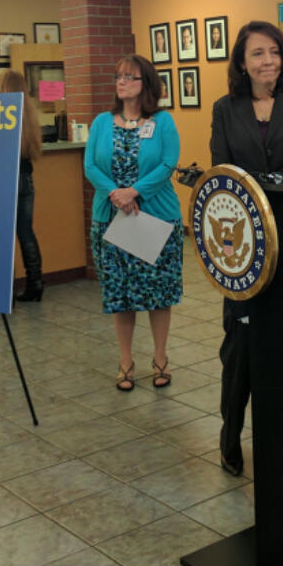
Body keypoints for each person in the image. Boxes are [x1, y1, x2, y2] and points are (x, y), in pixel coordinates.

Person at [209, 20, 283, 477]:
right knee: (240, 346)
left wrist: (279, 201)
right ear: (241, 61)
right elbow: (223, 170)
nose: (267, 61)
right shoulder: (224, 108)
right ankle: (230, 433)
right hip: (241, 245)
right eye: (257, 53)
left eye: (274, 52)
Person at [83, 55, 183, 392]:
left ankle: (160, 358)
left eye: (130, 76)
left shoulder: (163, 121)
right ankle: (125, 362)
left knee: (158, 292)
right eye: (119, 75)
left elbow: (169, 162)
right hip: (110, 220)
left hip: (154, 218)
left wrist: (135, 192)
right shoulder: (101, 122)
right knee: (120, 293)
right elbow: (90, 166)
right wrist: (115, 194)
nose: (122, 81)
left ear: (147, 84)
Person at [0, 69, 45, 302]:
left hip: (3, 179)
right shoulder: (29, 115)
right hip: (25, 179)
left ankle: (7, 290)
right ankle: (35, 283)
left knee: (2, 235)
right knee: (26, 233)